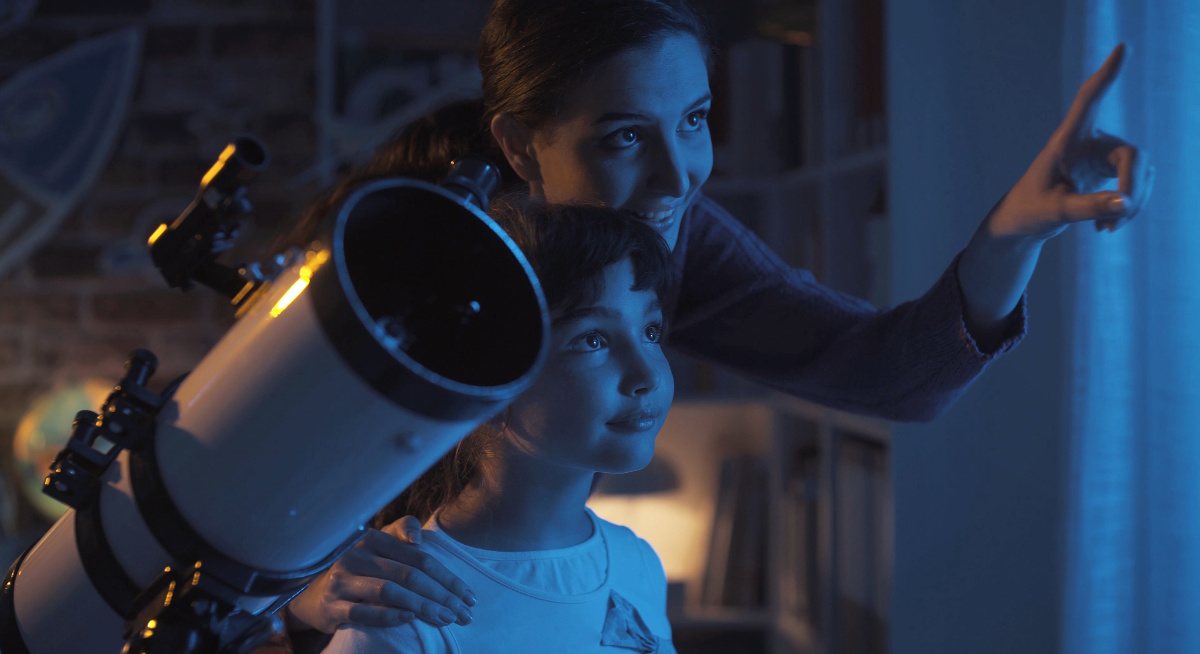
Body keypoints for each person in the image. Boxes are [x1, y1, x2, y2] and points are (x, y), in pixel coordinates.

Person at [283, 0, 1153, 642]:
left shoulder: (665, 230)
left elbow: (885, 372)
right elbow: (241, 480)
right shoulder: (407, 259)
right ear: (518, 144)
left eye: (694, 122)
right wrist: (306, 589)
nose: (678, 178)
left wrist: (1017, 228)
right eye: (624, 137)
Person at [314, 194, 678, 653]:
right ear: (486, 375)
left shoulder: (636, 561)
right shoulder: (410, 609)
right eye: (592, 340)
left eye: (650, 331)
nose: (646, 375)